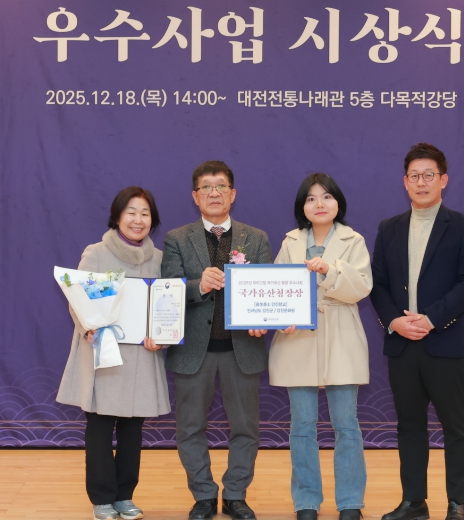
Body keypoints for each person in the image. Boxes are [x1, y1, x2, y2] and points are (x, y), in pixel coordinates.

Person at [370, 143, 464, 520]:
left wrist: (431, 319)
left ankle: (457, 503)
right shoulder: (388, 228)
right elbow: (378, 284)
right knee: (409, 426)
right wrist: (394, 321)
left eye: (428, 175)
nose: (421, 182)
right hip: (402, 344)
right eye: (414, 176)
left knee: (455, 426)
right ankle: (413, 502)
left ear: (443, 180)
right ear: (405, 182)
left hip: (445, 341)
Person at [161, 160, 272, 520]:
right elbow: (168, 290)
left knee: (246, 428)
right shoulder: (177, 238)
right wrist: (198, 286)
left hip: (243, 349)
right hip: (195, 351)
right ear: (195, 196)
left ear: (232, 194)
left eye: (221, 186)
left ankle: (236, 495)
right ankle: (204, 495)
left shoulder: (256, 238)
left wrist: (263, 320)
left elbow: (266, 290)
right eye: (206, 187)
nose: (214, 193)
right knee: (190, 427)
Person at [57, 186, 171, 520]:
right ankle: (102, 498)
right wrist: (89, 327)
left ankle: (124, 496)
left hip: (141, 357)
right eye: (131, 212)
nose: (138, 219)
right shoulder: (96, 253)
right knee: (100, 427)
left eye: (145, 213)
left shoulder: (159, 259)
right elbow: (78, 301)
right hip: (103, 354)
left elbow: (165, 307)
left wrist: (162, 336)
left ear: (153, 220)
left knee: (133, 430)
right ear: (117, 217)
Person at [269, 173, 372, 520]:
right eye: (311, 198)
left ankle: (350, 502)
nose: (319, 204)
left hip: (341, 335)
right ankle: (306, 501)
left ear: (338, 202)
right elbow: (277, 288)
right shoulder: (290, 242)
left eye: (326, 197)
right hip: (298, 339)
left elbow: (362, 287)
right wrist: (281, 317)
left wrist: (329, 270)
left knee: (346, 425)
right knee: (302, 426)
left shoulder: (353, 240)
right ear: (303, 207)